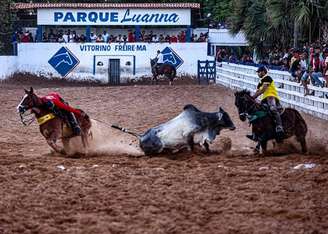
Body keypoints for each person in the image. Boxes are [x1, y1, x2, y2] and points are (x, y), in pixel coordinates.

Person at [247, 66, 284, 141]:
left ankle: (279, 126)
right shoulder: (260, 82)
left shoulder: (267, 78)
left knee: (273, 109)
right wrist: (253, 98)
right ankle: (255, 133)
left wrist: (253, 97)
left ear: (263, 71)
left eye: (259, 72)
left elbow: (263, 90)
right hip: (264, 99)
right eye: (258, 72)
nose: (258, 74)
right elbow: (257, 91)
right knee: (256, 113)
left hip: (271, 97)